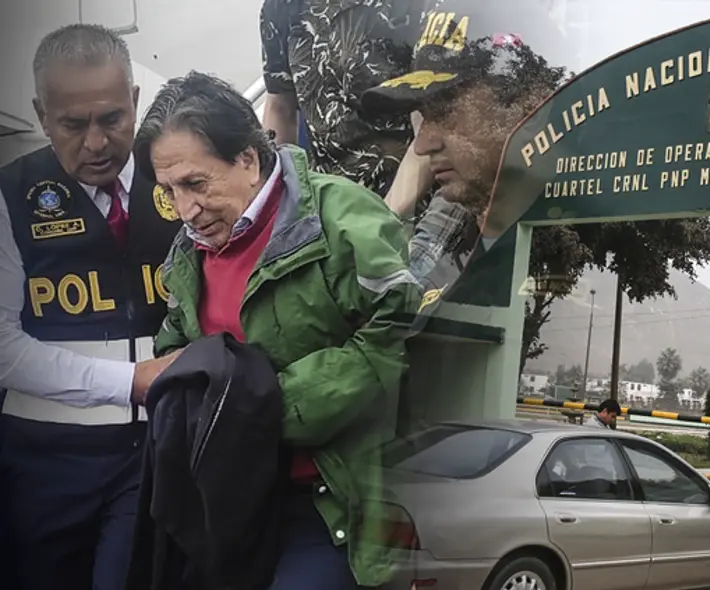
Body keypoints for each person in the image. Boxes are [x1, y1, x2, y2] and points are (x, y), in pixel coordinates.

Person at [133, 70, 421, 589]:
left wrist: (264, 409)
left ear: (247, 156)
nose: (185, 210)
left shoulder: (340, 217)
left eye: (196, 184)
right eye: (169, 190)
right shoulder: (186, 252)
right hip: (224, 503)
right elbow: (175, 353)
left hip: (326, 503)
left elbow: (393, 332)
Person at [0, 24, 183, 590]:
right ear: (41, 114)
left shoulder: (178, 178)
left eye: (111, 119)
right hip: (43, 463)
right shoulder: (10, 196)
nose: (97, 143)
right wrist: (129, 381)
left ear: (134, 102)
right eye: (73, 126)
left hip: (155, 452)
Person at [360, 0, 572, 306]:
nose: (421, 146)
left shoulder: (586, 231)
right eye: (423, 114)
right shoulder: (455, 228)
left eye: (446, 112)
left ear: (528, 106)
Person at [258, 0, 476, 291]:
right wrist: (274, 212)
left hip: (413, 209)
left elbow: (437, 124)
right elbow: (281, 107)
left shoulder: (422, 7)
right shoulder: (282, 7)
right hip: (330, 215)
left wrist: (376, 222)